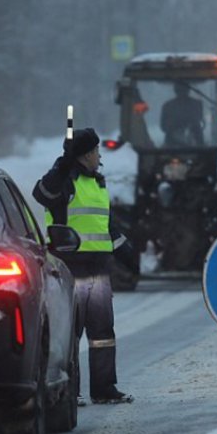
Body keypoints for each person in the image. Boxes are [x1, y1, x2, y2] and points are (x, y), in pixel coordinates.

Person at [33, 128, 135, 405]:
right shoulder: (64, 179)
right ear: (87, 154)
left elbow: (104, 224)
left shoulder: (98, 183)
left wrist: (125, 249)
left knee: (102, 333)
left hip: (99, 268)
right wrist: (62, 165)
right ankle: (67, 390)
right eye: (97, 151)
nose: (100, 156)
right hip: (70, 269)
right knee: (69, 332)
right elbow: (41, 193)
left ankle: (104, 390)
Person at [160, 81, 204, 147]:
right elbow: (163, 126)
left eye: (183, 89)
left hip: (196, 143)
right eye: (180, 90)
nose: (182, 92)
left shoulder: (197, 104)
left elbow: (199, 121)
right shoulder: (196, 104)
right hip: (172, 144)